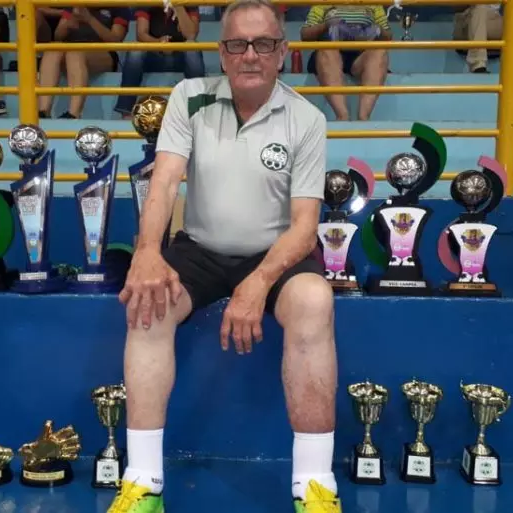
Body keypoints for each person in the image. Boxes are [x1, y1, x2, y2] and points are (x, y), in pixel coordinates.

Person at [107, 0, 341, 512]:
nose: (250, 55)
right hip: (200, 249)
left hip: (276, 254)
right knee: (147, 306)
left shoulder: (306, 118)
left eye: (263, 44)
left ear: (282, 51)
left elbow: (305, 227)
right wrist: (147, 252)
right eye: (237, 44)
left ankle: (315, 487)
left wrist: (257, 282)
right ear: (221, 52)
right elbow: (164, 181)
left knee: (314, 301)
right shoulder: (188, 96)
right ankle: (143, 484)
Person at [114, 1, 206, 118]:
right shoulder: (148, 3)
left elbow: (191, 35)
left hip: (180, 58)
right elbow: (141, 34)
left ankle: (198, 110)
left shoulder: (189, 4)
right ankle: (126, 110)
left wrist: (178, 6)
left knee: (192, 48)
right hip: (154, 56)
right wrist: (158, 43)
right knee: (135, 51)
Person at [301, 5, 391, 121]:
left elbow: (388, 35)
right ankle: (342, 116)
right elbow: (305, 34)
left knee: (379, 52)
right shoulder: (323, 3)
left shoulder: (373, 3)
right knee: (327, 50)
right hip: (329, 54)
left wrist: (376, 29)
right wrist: (326, 25)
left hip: (360, 57)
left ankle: (364, 118)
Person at [37, 7, 129, 119]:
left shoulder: (117, 7)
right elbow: (58, 36)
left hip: (103, 52)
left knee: (75, 54)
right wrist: (67, 25)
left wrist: (89, 19)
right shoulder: (75, 6)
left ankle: (73, 114)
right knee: (52, 50)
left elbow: (116, 40)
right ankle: (43, 111)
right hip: (70, 48)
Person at [453, 4, 513, 73]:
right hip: (469, 21)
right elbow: (456, 6)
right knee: (480, 7)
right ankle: (477, 65)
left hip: (496, 19)